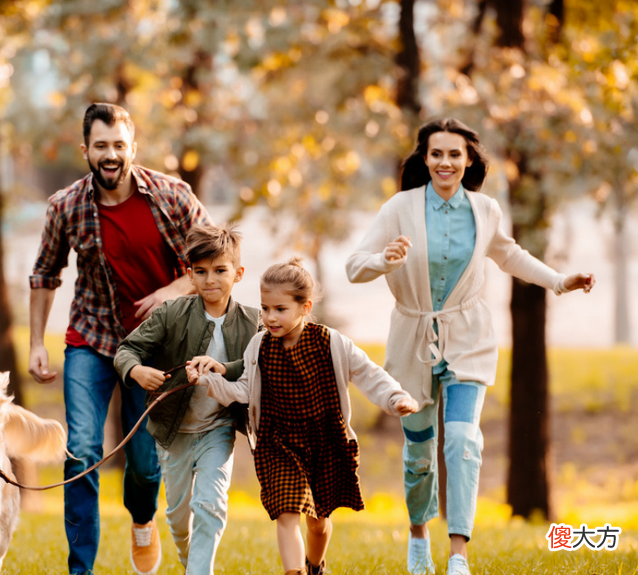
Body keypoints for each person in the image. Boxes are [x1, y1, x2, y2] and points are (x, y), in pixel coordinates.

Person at [345, 118, 596, 575]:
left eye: (454, 154)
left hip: (468, 338)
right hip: (412, 338)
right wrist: (384, 260)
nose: (445, 162)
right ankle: (419, 531)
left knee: (461, 439)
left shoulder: (484, 210)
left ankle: (459, 552)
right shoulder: (399, 208)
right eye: (436, 154)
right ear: (424, 159)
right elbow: (353, 267)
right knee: (420, 450)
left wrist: (560, 281)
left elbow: (509, 255)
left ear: (468, 161)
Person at [28, 102, 213, 575]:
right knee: (83, 452)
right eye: (101, 146)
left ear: (133, 148)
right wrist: (35, 343)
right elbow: (45, 275)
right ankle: (80, 570)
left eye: (119, 146)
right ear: (85, 149)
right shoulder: (65, 206)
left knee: (146, 464)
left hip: (155, 348)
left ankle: (142, 520)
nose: (110, 155)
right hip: (91, 340)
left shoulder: (173, 196)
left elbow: (218, 258)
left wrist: (172, 290)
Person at [190, 258, 419, 575]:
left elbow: (369, 374)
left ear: (305, 306)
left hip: (324, 441)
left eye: (280, 309)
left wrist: (396, 397)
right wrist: (209, 382)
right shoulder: (259, 346)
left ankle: (315, 565)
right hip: (278, 443)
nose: (270, 317)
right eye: (265, 308)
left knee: (318, 523)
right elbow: (244, 389)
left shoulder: (331, 342)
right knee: (286, 512)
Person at [114, 223, 260, 575]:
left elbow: (254, 366)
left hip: (218, 428)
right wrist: (137, 372)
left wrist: (222, 368)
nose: (211, 280)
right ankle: (190, 561)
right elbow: (126, 350)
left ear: (238, 274)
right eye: (201, 272)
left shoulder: (252, 322)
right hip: (174, 432)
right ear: (190, 275)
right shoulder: (171, 313)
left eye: (220, 270)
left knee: (210, 504)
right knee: (179, 519)